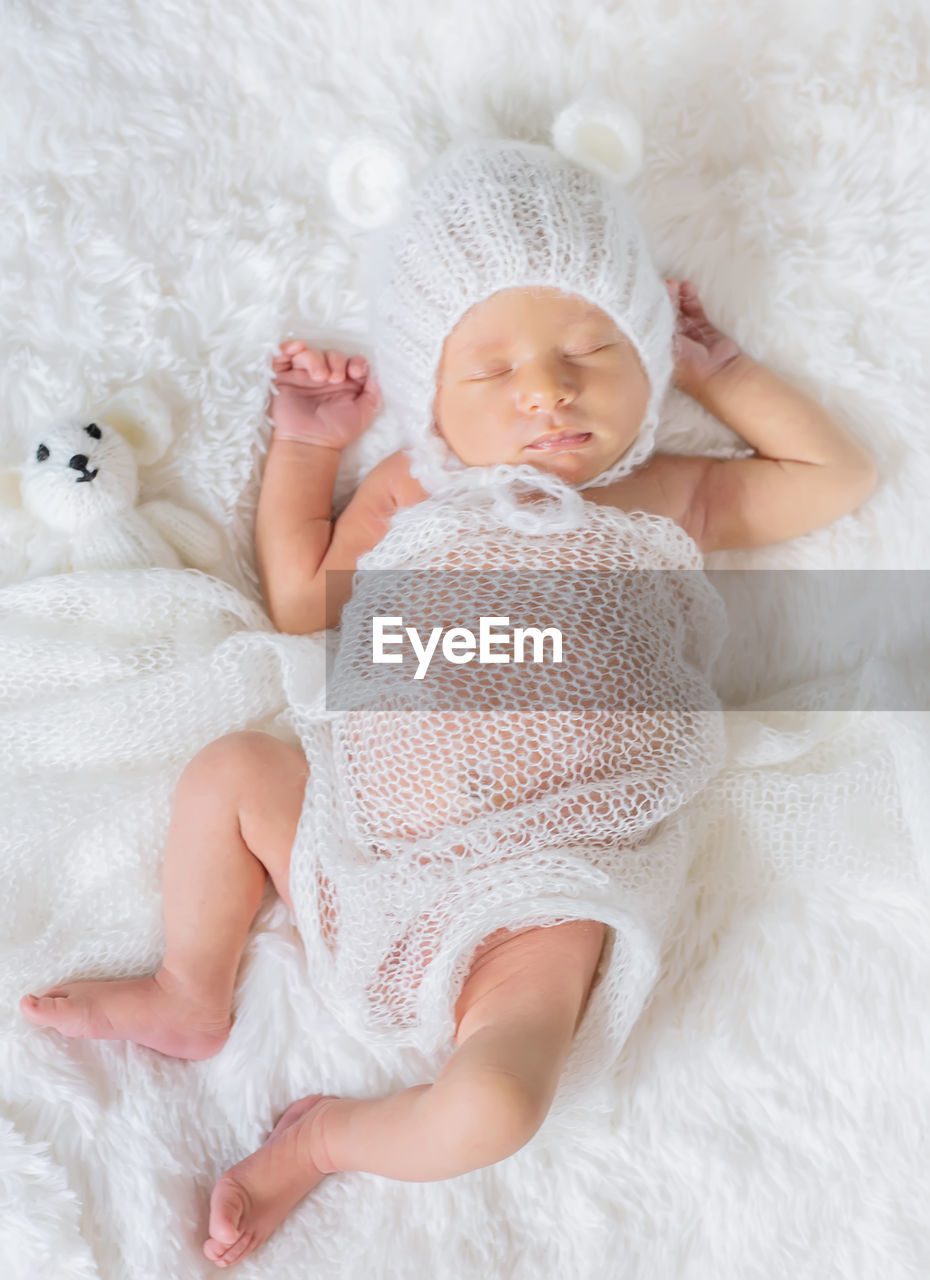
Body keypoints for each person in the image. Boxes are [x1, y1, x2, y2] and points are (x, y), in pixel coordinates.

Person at [20, 139, 878, 1270]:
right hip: (364, 849)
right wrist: (306, 448)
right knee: (229, 771)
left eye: (592, 348)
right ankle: (193, 985)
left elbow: (837, 478)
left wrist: (723, 371)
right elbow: (296, 602)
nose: (549, 388)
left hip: (548, 894)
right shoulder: (415, 491)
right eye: (492, 369)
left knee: (494, 1109)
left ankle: (323, 1140)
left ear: (651, 367)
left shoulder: (668, 493)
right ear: (430, 399)